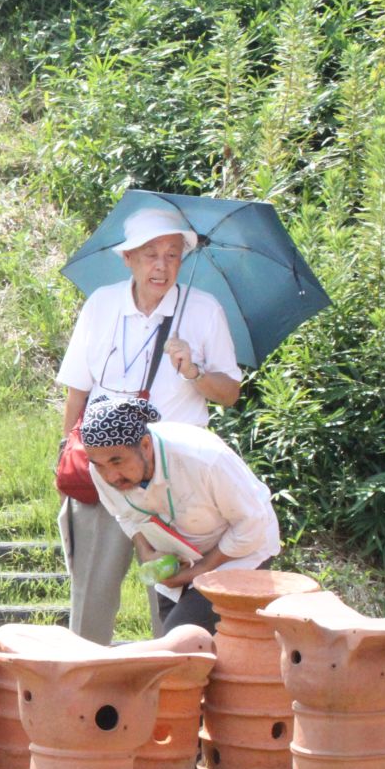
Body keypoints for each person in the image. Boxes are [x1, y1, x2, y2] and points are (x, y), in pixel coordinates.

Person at [57, 207, 243, 644]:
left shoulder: (203, 309)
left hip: (173, 479)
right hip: (105, 467)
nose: (161, 265)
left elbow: (230, 393)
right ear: (128, 259)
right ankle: (79, 686)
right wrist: (68, 452)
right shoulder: (102, 303)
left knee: (171, 595)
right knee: (92, 593)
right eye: (150, 254)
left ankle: (170, 687)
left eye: (173, 255)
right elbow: (77, 390)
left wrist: (193, 371)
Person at [80, 396, 279, 634]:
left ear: (145, 445)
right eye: (100, 465)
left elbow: (251, 524)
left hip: (241, 552)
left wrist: (198, 571)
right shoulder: (99, 468)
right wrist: (146, 552)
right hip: (179, 558)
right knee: (176, 638)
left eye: (118, 461)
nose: (111, 476)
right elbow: (125, 515)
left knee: (182, 634)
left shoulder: (203, 459)